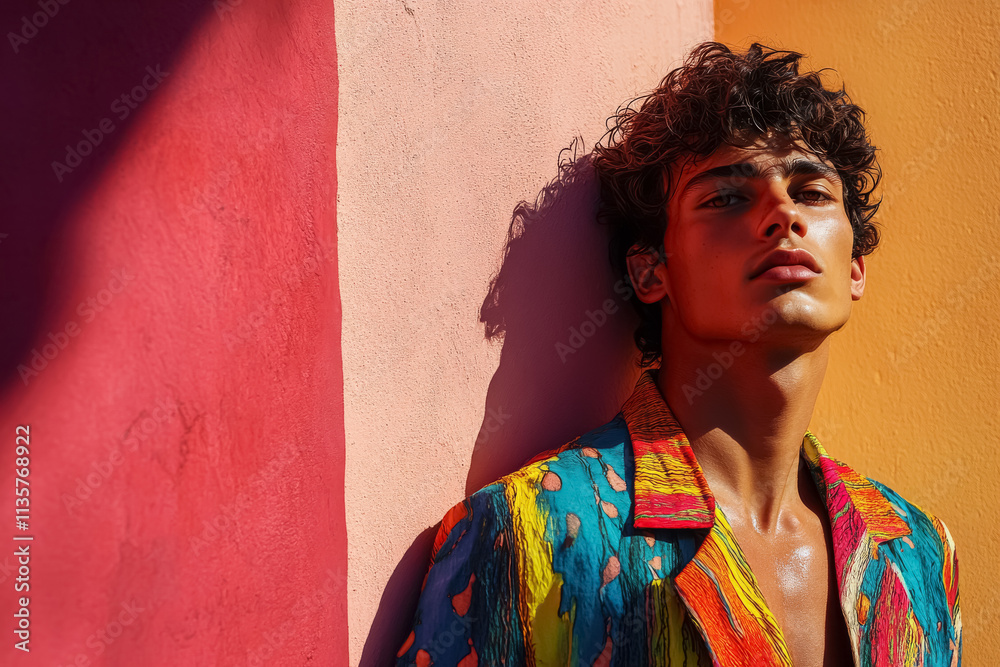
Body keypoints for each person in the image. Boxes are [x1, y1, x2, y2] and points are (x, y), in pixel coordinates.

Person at [395, 41, 961, 667]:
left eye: (812, 192)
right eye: (726, 198)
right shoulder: (533, 532)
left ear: (854, 268)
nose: (782, 215)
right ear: (650, 272)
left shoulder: (917, 556)